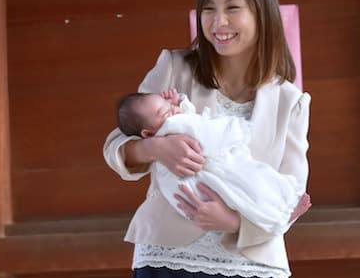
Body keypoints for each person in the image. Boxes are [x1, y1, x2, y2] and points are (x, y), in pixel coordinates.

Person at [104, 0, 312, 278]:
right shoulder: (174, 67)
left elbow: (289, 193)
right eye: (209, 8)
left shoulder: (290, 99)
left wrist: (234, 221)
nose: (219, 22)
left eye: (233, 7)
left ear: (262, 11)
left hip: (251, 260)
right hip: (169, 257)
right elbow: (115, 146)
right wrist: (156, 147)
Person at [115, 88, 305, 235]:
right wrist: (153, 147)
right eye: (165, 112)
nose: (172, 110)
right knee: (252, 190)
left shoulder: (291, 97)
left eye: (168, 104)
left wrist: (176, 104)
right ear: (147, 134)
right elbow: (201, 130)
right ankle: (279, 213)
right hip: (203, 183)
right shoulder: (170, 123)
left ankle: (277, 217)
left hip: (242, 243)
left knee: (247, 193)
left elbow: (188, 119)